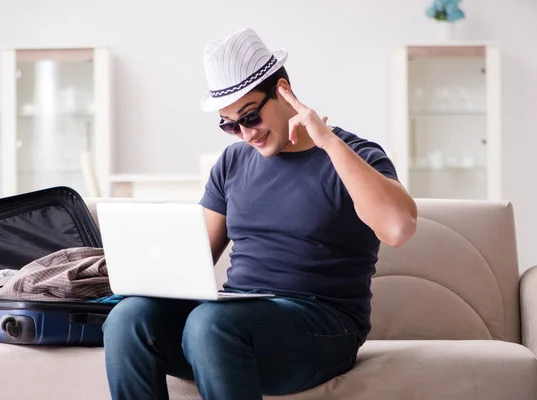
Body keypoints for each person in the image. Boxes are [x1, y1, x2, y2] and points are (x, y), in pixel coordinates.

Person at [102, 28, 417, 400]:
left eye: (250, 117)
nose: (245, 134)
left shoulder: (352, 154)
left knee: (210, 325)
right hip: (235, 318)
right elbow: (192, 261)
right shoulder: (232, 163)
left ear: (282, 90)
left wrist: (328, 141)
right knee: (127, 319)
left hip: (322, 325)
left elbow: (398, 228)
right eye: (229, 124)